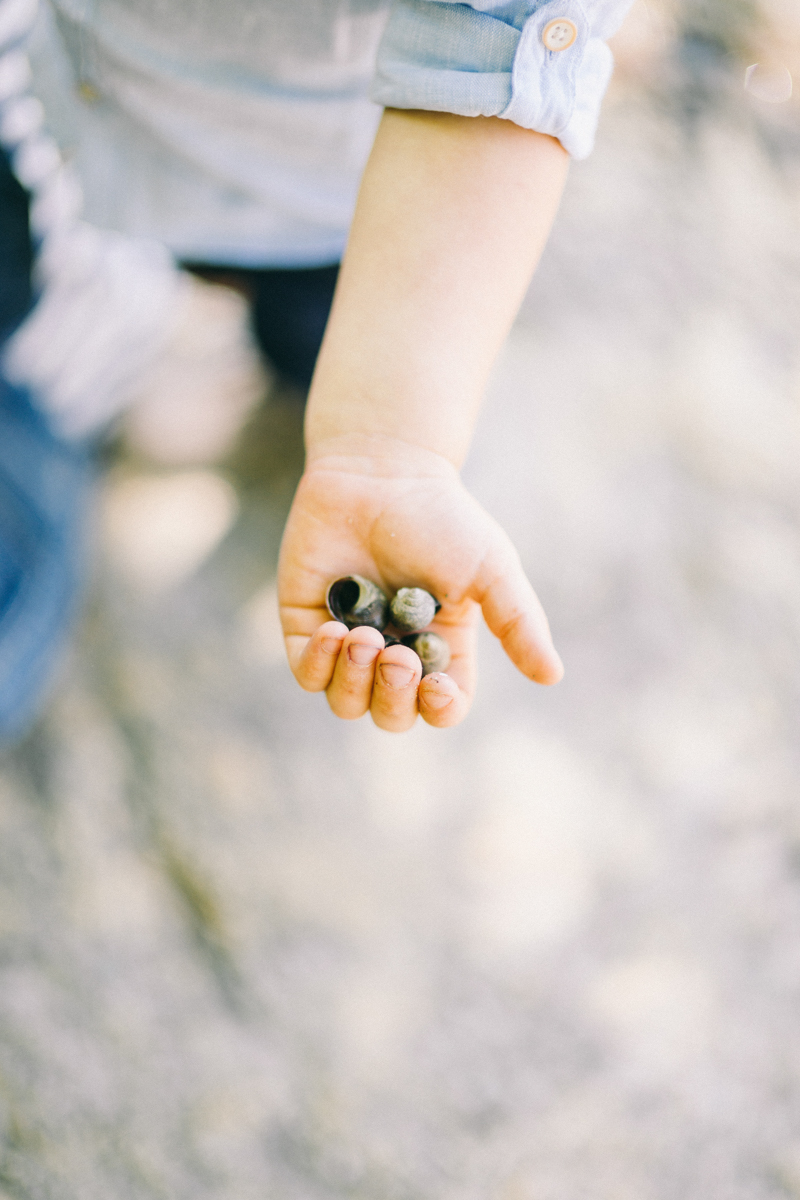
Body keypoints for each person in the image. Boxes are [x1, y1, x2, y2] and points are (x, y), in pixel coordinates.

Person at [0, 0, 634, 740]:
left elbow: (495, 49)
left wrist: (390, 440)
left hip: (355, 214)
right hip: (61, 114)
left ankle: (304, 407)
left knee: (312, 337)